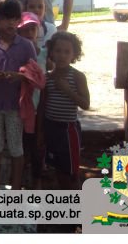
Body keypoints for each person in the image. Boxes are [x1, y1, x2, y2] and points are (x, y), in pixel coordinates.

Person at [0, 0, 37, 190]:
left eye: (15, 19)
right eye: (6, 19)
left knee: (15, 147)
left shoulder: (26, 45)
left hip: (15, 105)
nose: (11, 23)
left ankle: (16, 186)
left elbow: (35, 75)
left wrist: (20, 77)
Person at [39, 31, 90, 190]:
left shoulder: (77, 76)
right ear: (51, 52)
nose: (62, 55)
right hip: (50, 127)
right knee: (58, 168)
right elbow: (43, 104)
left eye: (67, 52)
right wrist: (40, 130)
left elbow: (85, 104)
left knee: (71, 170)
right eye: (58, 51)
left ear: (74, 54)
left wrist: (68, 90)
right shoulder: (47, 77)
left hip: (68, 129)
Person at [16, 12, 47, 190]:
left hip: (38, 107)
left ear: (38, 30)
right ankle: (19, 180)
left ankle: (37, 181)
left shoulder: (44, 55)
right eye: (24, 30)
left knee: (37, 145)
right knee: (21, 146)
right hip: (20, 109)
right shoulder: (17, 54)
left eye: (32, 29)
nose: (29, 33)